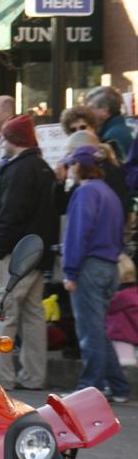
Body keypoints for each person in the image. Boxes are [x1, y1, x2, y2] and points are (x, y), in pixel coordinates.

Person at [0, 115, 57, 391]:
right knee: (32, 316)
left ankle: (1, 377)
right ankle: (34, 376)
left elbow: (10, 216)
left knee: (0, 313)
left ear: (12, 139)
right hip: (36, 254)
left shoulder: (18, 171)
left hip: (13, 254)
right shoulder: (44, 169)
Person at [61, 145, 131, 403]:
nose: (69, 169)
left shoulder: (86, 192)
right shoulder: (108, 192)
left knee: (90, 331)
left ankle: (89, 388)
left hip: (90, 267)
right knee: (98, 328)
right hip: (109, 266)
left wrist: (70, 271)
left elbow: (78, 233)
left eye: (72, 164)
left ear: (80, 166)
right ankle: (118, 385)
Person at [86, 86, 134, 161]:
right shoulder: (120, 129)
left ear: (105, 111)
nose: (88, 113)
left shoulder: (112, 138)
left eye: (91, 108)